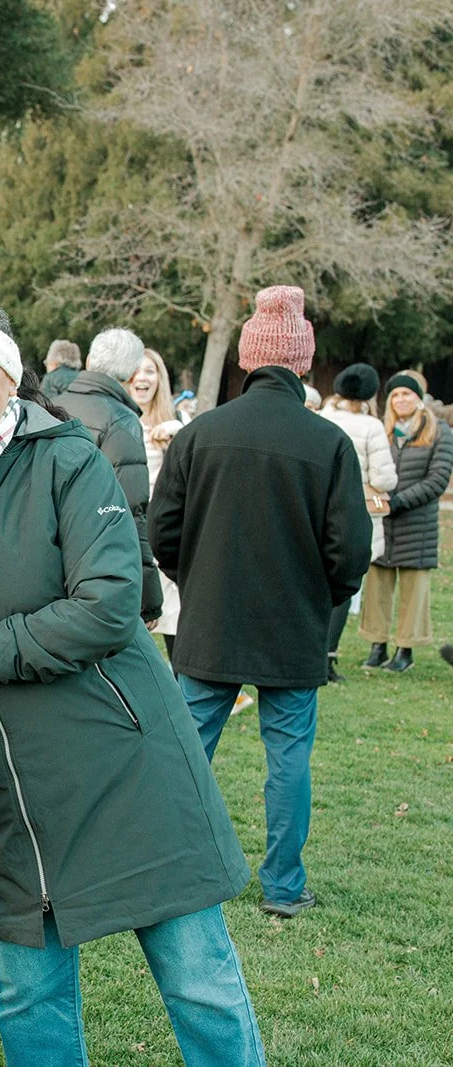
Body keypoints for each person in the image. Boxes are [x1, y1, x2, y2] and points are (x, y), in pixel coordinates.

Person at [0, 293, 264, 1067]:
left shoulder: (68, 458)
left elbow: (107, 606)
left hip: (125, 759)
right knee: (29, 999)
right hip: (11, 782)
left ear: (10, 376)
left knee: (198, 981)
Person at [151, 285, 371, 919]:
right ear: (302, 363)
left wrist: (196, 580)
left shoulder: (200, 434)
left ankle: (173, 868)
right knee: (288, 760)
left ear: (249, 360)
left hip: (212, 619)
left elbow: (162, 531)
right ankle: (283, 884)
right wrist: (323, 597)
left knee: (187, 752)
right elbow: (350, 549)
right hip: (292, 623)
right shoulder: (328, 442)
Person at [54, 327, 164, 626]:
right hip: (94, 565)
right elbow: (130, 509)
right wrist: (148, 598)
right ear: (132, 373)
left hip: (48, 556)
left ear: (89, 360)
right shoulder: (121, 420)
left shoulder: (50, 405)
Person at [358, 373, 453, 673]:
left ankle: (405, 650)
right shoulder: (381, 430)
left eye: (407, 394)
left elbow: (438, 479)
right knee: (377, 585)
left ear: (418, 398)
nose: (401, 400)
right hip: (383, 521)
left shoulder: (438, 431)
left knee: (413, 589)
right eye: (396, 395)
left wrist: (399, 501)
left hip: (416, 522)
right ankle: (377, 645)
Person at [317, 364, 397, 682]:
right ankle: (327, 656)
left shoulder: (322, 418)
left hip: (319, 509)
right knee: (344, 583)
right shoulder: (371, 426)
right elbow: (384, 478)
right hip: (355, 510)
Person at [129, 347, 186, 655]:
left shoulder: (178, 421)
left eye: (150, 371)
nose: (142, 377)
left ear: (160, 378)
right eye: (136, 371)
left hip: (166, 530)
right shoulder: (117, 419)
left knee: (176, 618)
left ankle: (181, 680)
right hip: (129, 529)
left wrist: (178, 439)